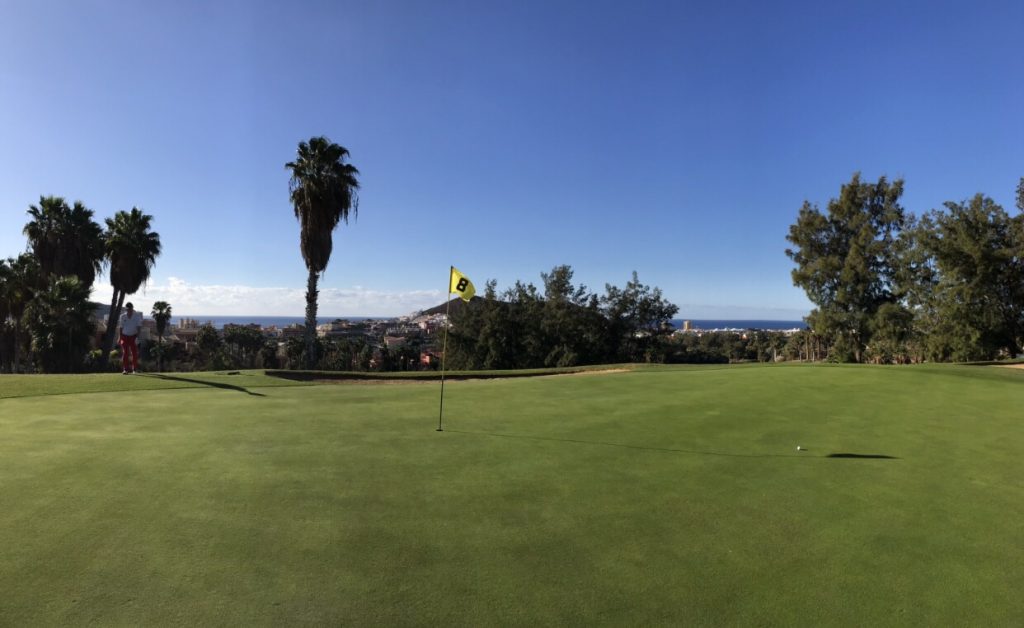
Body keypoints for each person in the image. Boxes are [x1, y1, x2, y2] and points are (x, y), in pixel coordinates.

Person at [118, 302, 144, 374]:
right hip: (124, 336)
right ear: (126, 309)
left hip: (133, 336)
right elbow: (121, 327)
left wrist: (137, 338)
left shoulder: (137, 316)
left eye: (130, 309)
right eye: (127, 309)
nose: (129, 310)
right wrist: (119, 338)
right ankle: (125, 369)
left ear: (132, 308)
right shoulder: (122, 316)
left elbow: (139, 328)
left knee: (134, 353)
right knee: (125, 353)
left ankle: (134, 369)